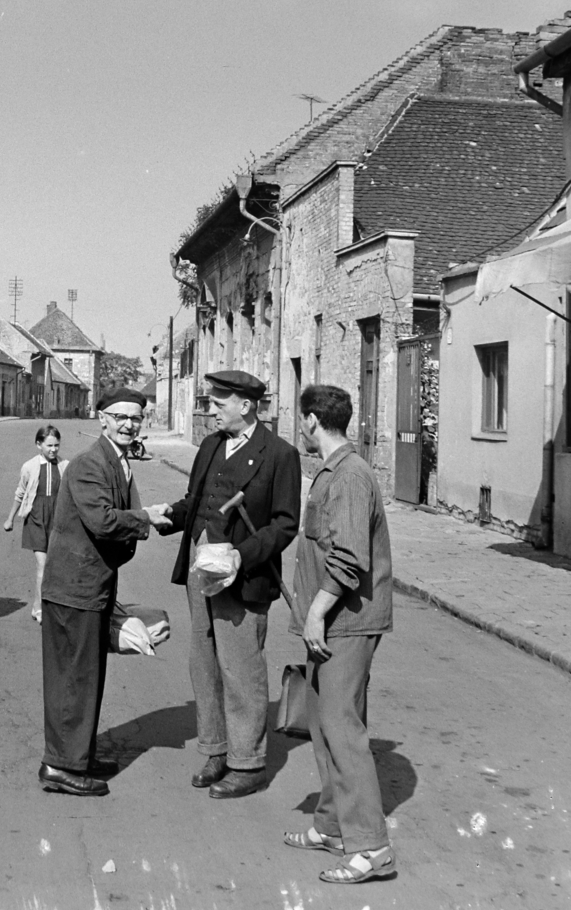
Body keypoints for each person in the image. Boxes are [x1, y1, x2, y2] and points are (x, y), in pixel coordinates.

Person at [159, 370, 300, 799]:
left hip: (243, 576)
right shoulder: (210, 446)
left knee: (240, 667)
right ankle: (217, 749)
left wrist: (244, 554)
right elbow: (195, 503)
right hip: (201, 570)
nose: (212, 409)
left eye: (220, 403)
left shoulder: (279, 455)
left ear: (246, 406)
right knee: (204, 662)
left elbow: (284, 525)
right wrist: (162, 515)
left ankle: (247, 762)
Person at [283, 384, 396, 885]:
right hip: (332, 620)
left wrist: (315, 614)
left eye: (298, 418)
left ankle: (371, 849)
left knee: (343, 729)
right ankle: (332, 826)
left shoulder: (349, 476)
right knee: (324, 725)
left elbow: (349, 558)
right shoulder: (332, 471)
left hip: (344, 622)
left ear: (311, 421)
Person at [37, 389, 171, 797]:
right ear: (102, 419)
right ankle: (60, 766)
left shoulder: (117, 461)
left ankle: (78, 754)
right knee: (72, 679)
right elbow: (103, 522)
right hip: (73, 589)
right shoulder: (88, 464)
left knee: (87, 676)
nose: (130, 423)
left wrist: (148, 518)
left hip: (90, 586)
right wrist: (146, 518)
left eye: (137, 417)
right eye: (120, 417)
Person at [3, 425, 68, 623]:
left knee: (56, 567)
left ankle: (46, 605)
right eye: (49, 445)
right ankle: (39, 608)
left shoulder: (65, 465)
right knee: (42, 564)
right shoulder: (29, 467)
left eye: (57, 445)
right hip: (37, 519)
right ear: (38, 445)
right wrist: (10, 518)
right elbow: (20, 492)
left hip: (57, 521)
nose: (53, 449)